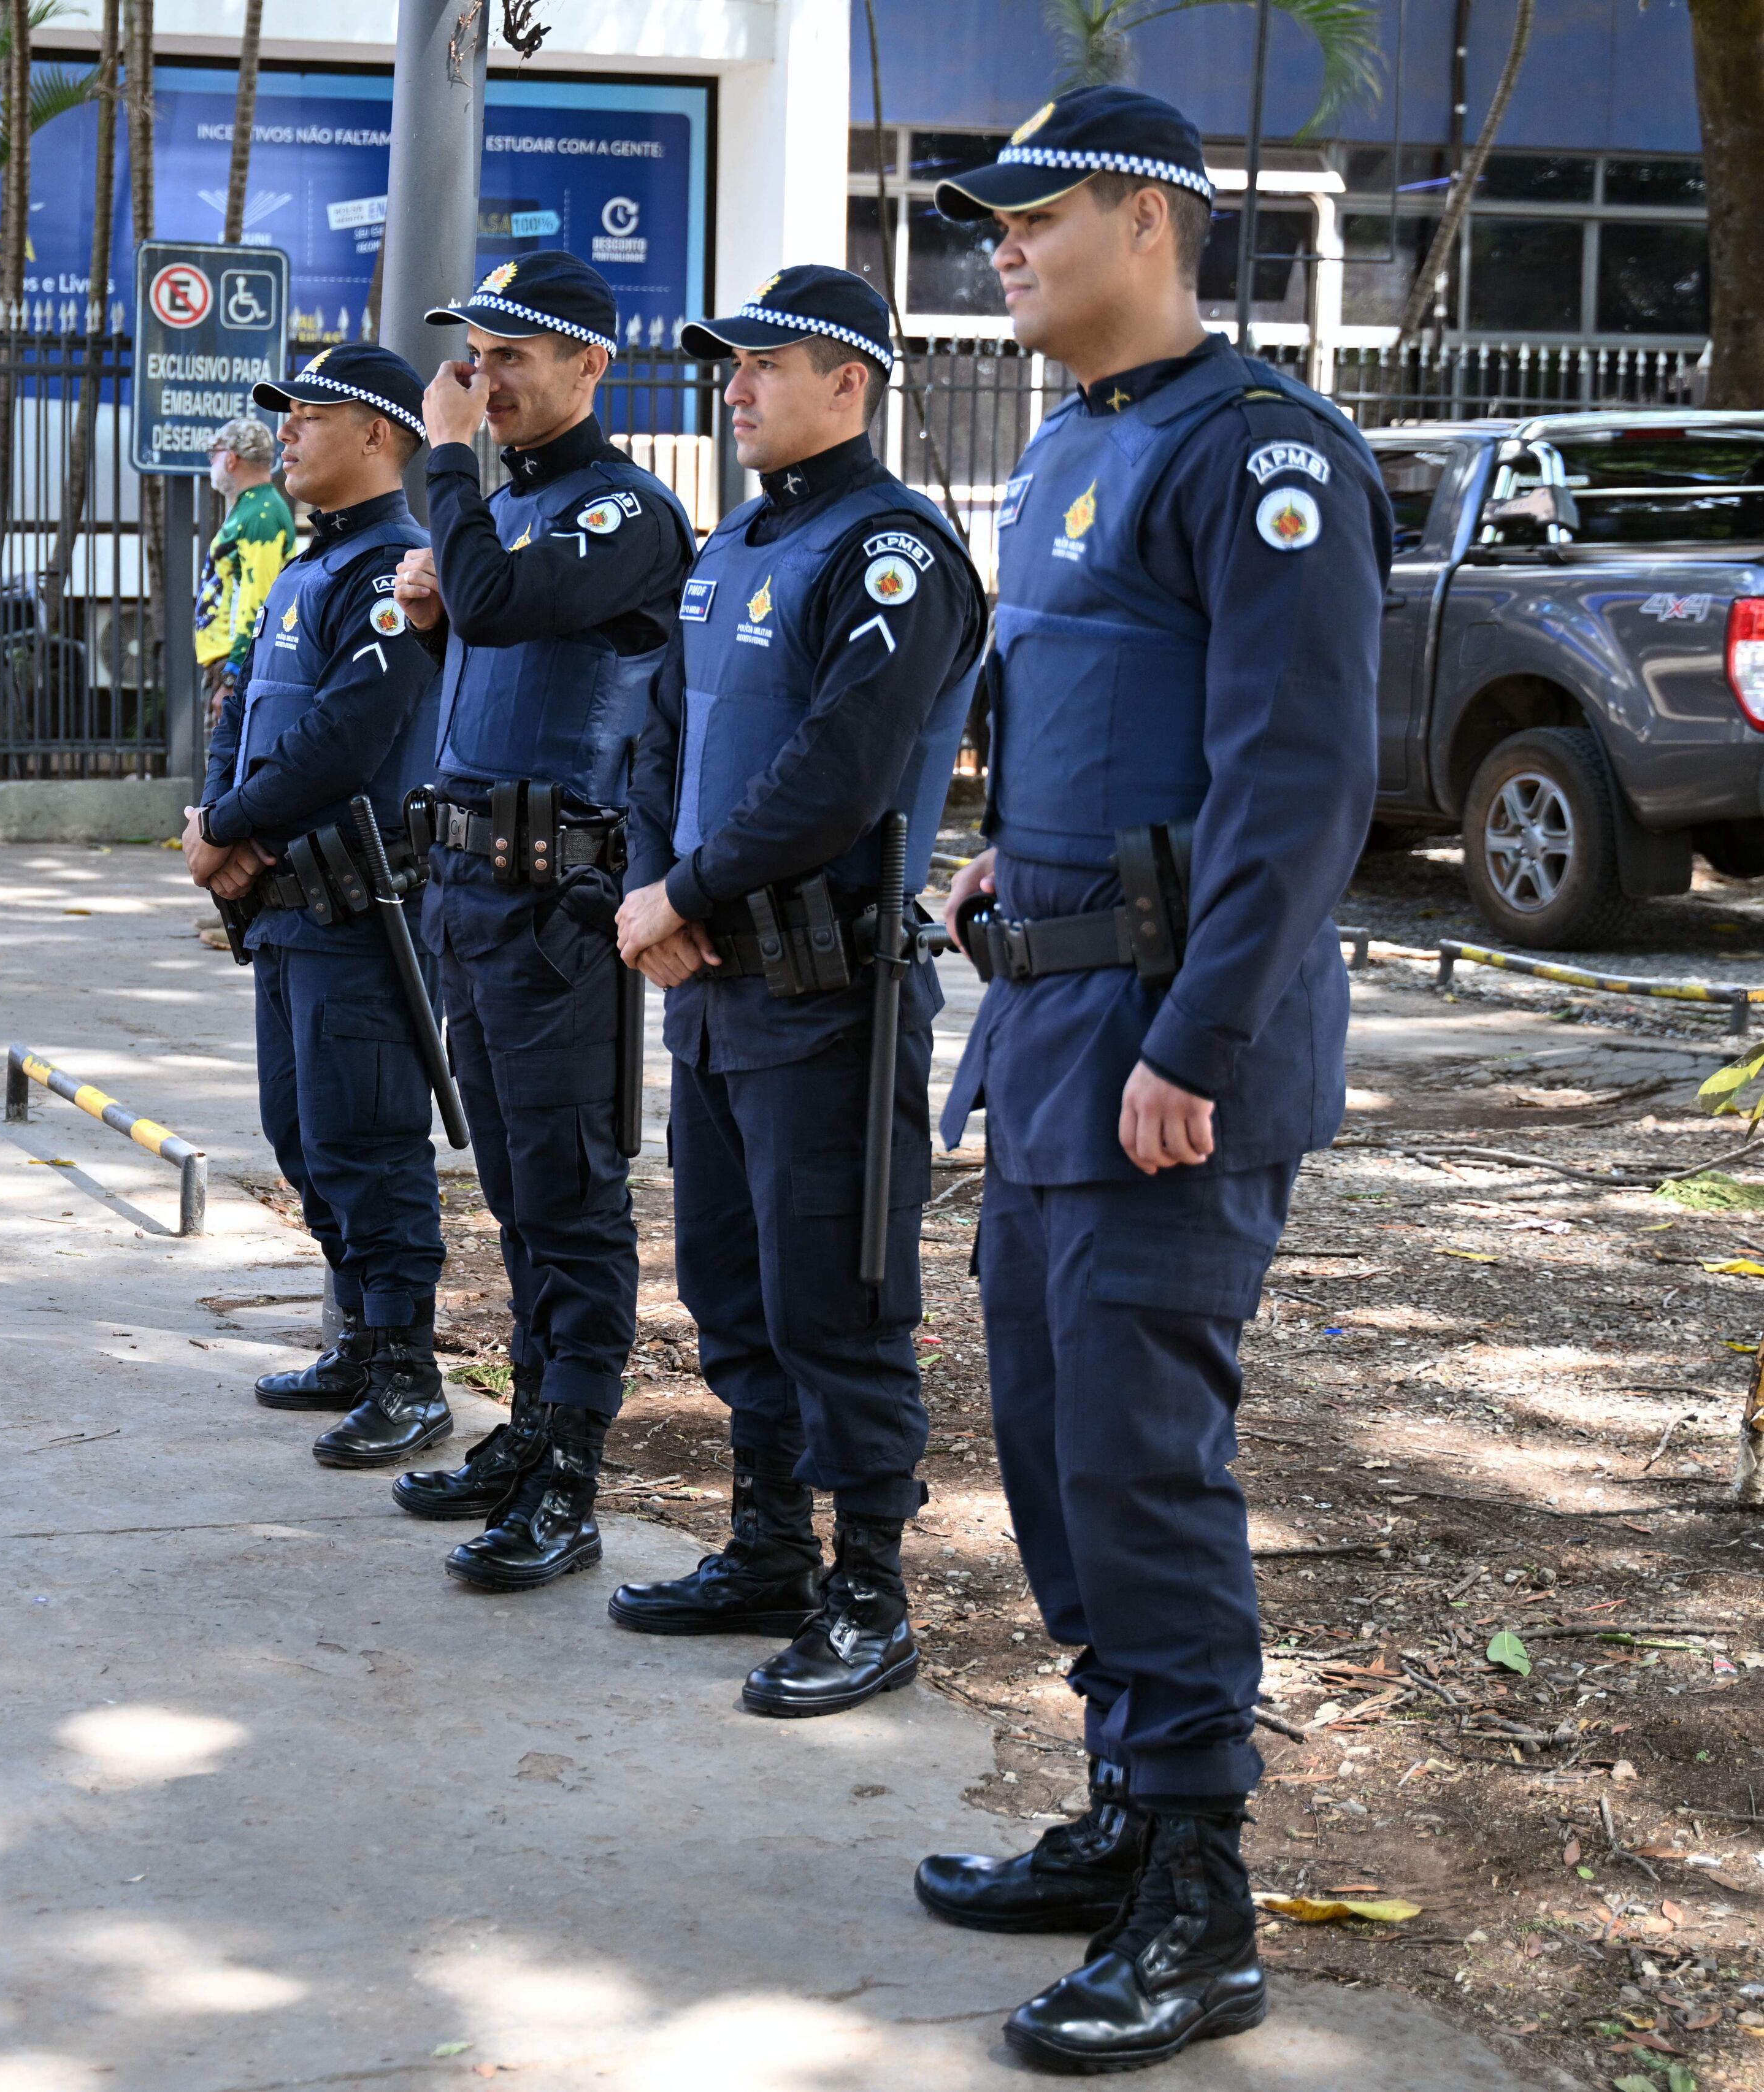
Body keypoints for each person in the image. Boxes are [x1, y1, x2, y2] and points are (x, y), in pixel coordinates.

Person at [907, 90, 1387, 2073]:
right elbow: (1090, 716)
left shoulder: (1263, 453)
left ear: (1150, 226)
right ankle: (1126, 1802)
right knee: (1052, 1446)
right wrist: (1003, 860)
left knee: (1141, 1460)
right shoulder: (1075, 445)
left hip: (1172, 1062)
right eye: (995, 222)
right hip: (1050, 1039)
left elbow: (1300, 781)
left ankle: (1201, 1898)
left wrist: (1196, 1039)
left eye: (1035, 217)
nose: (1001, 248)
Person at [605, 268, 989, 1719]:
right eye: (731, 364)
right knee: (732, 1287)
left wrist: (683, 894)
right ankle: (768, 1549)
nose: (736, 386)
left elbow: (839, 772)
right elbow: (656, 739)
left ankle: (868, 1595)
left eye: (764, 364)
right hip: (715, 987)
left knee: (839, 1302)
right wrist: (653, 891)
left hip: (828, 995)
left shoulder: (891, 552)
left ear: (850, 383)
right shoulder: (735, 543)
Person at [380, 252, 693, 1593]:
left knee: (570, 1195)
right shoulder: (508, 512)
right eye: (476, 353)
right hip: (469, 897)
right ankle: (527, 1423)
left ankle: (571, 1467)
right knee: (513, 1191)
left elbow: (511, 609)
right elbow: (495, 662)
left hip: (557, 905)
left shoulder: (623, 510)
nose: (482, 377)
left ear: (588, 366)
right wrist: (433, 614)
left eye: (512, 354)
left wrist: (446, 468)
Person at [191, 344, 447, 1466]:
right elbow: (242, 703)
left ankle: (409, 1372)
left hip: (360, 908)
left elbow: (348, 736)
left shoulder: (396, 569)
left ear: (379, 434)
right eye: (284, 415)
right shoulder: (310, 565)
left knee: (369, 1140)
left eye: (311, 414)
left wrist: (229, 825)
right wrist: (216, 823)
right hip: (287, 906)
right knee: (302, 1136)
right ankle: (357, 1345)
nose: (286, 431)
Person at [195, 418, 293, 722]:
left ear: (231, 459)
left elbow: (258, 598)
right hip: (228, 663)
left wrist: (233, 675)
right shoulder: (251, 507)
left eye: (215, 454)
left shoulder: (260, 515)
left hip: (235, 666)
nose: (212, 462)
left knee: (229, 750)